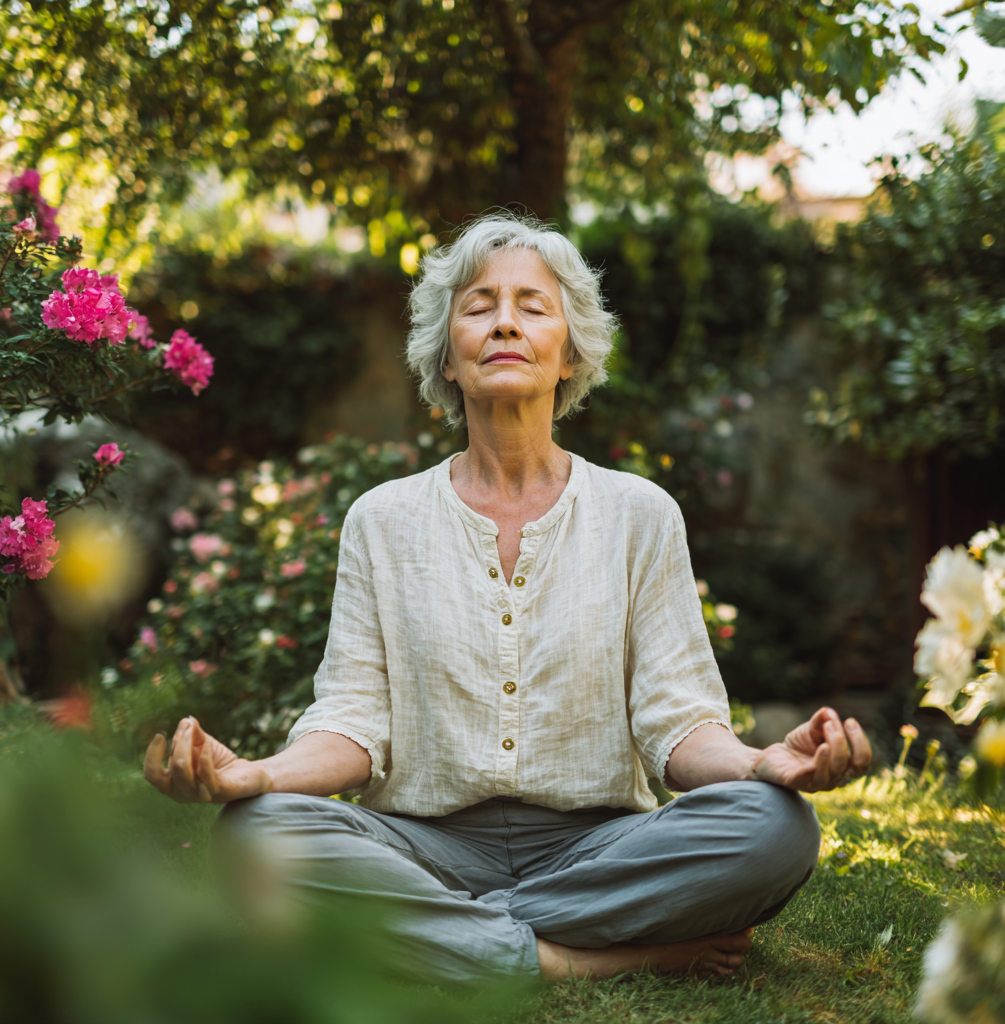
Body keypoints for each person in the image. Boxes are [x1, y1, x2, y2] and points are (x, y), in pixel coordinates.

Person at [144, 213, 871, 985]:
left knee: (774, 827)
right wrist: (256, 777)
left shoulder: (640, 513)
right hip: (420, 846)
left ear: (569, 352)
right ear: (447, 360)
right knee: (256, 833)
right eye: (479, 305)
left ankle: (434, 937)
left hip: (599, 850)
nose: (504, 323)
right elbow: (353, 721)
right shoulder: (382, 520)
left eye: (533, 305)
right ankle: (582, 959)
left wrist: (764, 763)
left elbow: (677, 719)